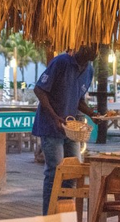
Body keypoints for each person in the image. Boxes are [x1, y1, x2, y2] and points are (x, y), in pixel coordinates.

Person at [32, 44, 98, 215]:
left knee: (73, 173)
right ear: (81, 46)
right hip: (51, 125)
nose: (95, 50)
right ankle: (49, 216)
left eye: (97, 47)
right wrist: (54, 117)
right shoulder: (61, 62)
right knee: (55, 172)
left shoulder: (89, 70)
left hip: (71, 128)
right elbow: (39, 89)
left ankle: (66, 215)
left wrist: (94, 114)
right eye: (92, 46)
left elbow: (78, 99)